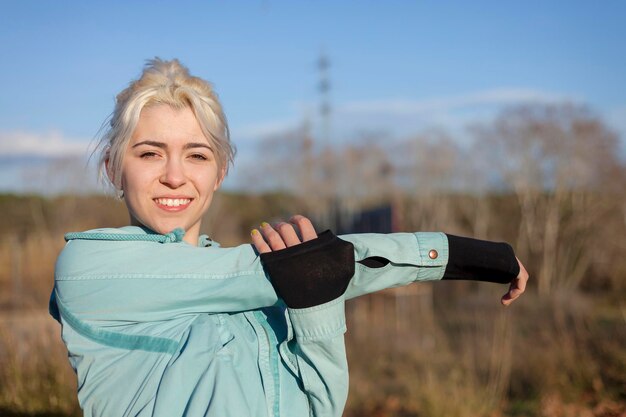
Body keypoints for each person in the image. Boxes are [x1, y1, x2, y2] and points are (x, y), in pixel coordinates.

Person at [50, 58, 529, 417]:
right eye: (151, 153)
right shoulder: (90, 269)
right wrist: (473, 256)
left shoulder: (268, 300)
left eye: (196, 156)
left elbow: (320, 406)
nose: (175, 176)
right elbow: (320, 266)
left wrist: (315, 306)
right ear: (114, 169)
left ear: (220, 172)